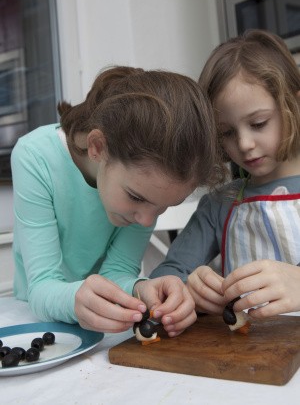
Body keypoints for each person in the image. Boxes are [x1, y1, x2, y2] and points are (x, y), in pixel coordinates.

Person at [11, 65, 223, 337]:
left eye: (163, 208)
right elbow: (41, 288)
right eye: (136, 197)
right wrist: (78, 299)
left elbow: (119, 272)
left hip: (104, 332)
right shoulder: (34, 157)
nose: (147, 220)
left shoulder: (146, 193)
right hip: (37, 326)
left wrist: (141, 288)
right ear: (97, 147)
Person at [150, 30, 300, 320]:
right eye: (227, 133)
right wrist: (187, 289)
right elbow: (165, 277)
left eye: (258, 123)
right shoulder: (219, 204)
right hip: (245, 358)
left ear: (294, 106)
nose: (243, 144)